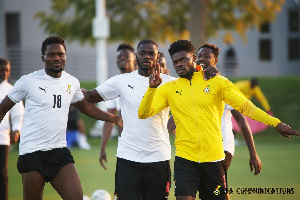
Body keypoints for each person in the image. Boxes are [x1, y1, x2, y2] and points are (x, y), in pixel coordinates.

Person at [138, 40, 300, 200]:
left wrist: (276, 123)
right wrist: (152, 89)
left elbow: (247, 107)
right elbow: (144, 113)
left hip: (214, 159)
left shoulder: (218, 82)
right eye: (175, 62)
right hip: (185, 160)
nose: (179, 64)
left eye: (183, 59)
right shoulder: (169, 88)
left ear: (193, 58)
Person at [0, 35, 122, 200]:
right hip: (32, 153)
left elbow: (86, 107)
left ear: (65, 57)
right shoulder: (28, 81)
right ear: (43, 57)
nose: (56, 58)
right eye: (51, 54)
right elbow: (3, 108)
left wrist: (113, 118)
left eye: (60, 54)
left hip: (59, 152)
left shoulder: (71, 83)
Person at [83, 39, 175, 200]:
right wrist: (69, 85)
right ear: (136, 55)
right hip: (128, 158)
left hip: (158, 159)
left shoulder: (170, 83)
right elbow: (90, 97)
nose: (146, 56)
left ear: (157, 56)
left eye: (151, 53)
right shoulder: (122, 81)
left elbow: (189, 102)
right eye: (143, 53)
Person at [100, 43, 136, 170]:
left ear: (135, 60)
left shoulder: (143, 80)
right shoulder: (114, 84)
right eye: (119, 57)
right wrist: (102, 148)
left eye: (126, 56)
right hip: (125, 147)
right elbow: (110, 119)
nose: (122, 59)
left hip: (145, 143)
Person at [0, 58, 24, 200]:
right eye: (2, 70)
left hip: (2, 137)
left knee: (2, 173)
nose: (4, 73)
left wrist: (16, 129)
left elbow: (17, 111)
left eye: (7, 70)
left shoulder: (11, 89)